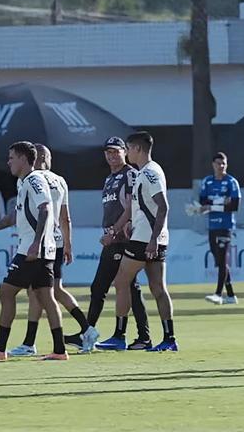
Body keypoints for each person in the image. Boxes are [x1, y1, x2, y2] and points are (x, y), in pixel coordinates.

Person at [0, 141, 67, 361]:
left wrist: (36, 243)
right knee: (46, 297)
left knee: (6, 292)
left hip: (32, 251)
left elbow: (46, 209)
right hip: (42, 250)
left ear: (23, 159)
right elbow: (14, 217)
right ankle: (60, 350)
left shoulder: (34, 180)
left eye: (11, 157)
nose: (8, 162)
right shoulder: (24, 183)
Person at [6, 144, 100, 356]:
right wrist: (68, 244)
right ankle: (83, 330)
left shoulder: (29, 180)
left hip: (41, 243)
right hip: (56, 242)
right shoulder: (60, 180)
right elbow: (65, 217)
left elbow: (33, 212)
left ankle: (34, 343)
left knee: (41, 293)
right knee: (48, 291)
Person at [107, 131, 178, 352]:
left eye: (128, 148)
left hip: (146, 239)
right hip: (149, 237)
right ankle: (168, 339)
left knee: (121, 281)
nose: (126, 153)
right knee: (157, 288)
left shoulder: (150, 173)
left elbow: (163, 206)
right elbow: (142, 207)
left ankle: (119, 336)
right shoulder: (145, 172)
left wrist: (153, 240)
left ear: (137, 149)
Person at [90, 137, 152, 351]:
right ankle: (141, 336)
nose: (111, 155)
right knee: (128, 288)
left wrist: (117, 231)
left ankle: (91, 332)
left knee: (103, 287)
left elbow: (134, 208)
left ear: (125, 152)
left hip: (123, 240)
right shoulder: (109, 178)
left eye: (116, 151)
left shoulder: (130, 174)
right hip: (112, 238)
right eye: (108, 152)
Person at [198, 152, 241, 305]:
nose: (221, 166)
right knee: (219, 260)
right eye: (218, 163)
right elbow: (203, 202)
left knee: (222, 259)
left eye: (224, 163)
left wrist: (213, 205)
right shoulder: (207, 181)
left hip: (226, 226)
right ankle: (230, 295)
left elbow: (234, 205)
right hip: (212, 226)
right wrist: (223, 202)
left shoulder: (231, 182)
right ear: (213, 164)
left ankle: (218, 294)